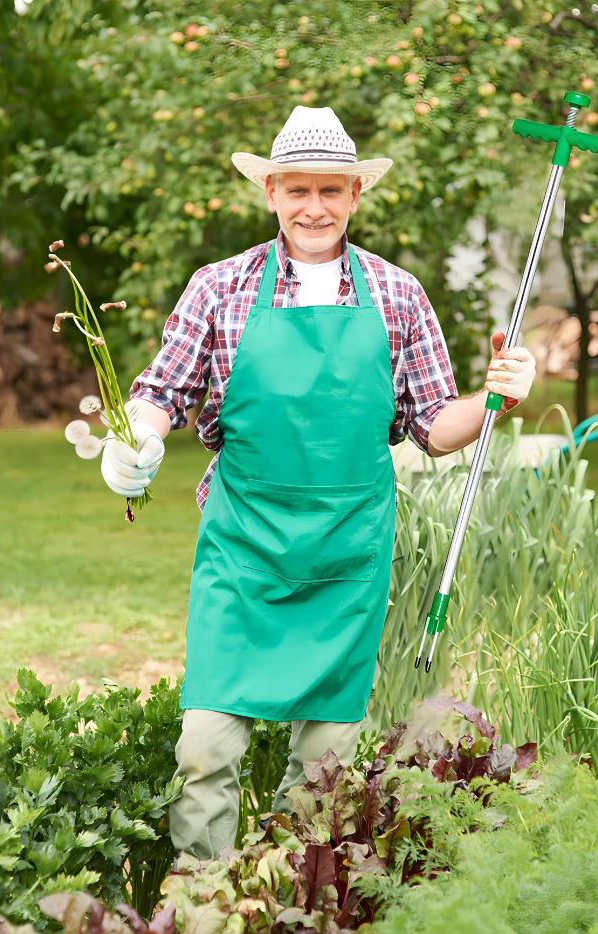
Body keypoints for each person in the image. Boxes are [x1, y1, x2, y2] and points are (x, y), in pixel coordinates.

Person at [99, 106, 536, 860]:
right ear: (270, 192)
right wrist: (133, 437)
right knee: (205, 747)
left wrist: (498, 395)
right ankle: (198, 904)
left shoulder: (397, 294)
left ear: (355, 196)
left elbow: (436, 427)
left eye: (330, 190)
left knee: (323, 768)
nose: (314, 207)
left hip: (346, 554)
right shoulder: (219, 287)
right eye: (297, 189)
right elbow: (162, 392)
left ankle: (289, 900)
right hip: (244, 548)